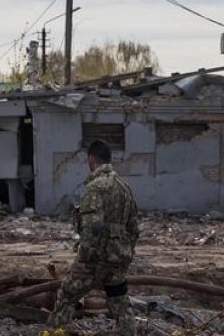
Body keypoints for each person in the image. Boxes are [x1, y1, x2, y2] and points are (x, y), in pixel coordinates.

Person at [47, 140, 140, 335]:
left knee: (68, 293)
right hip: (118, 256)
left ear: (91, 159)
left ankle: (54, 329)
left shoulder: (94, 187)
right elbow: (133, 228)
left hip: (95, 258)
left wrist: (83, 258)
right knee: (118, 296)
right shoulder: (125, 188)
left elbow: (93, 227)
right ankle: (128, 331)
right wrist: (126, 253)